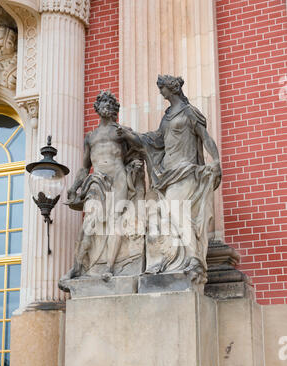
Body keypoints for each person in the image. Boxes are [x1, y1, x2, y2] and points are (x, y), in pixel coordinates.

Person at [117, 74, 222, 283]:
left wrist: (216, 161)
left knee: (177, 213)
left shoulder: (190, 113)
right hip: (167, 172)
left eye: (162, 88)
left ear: (171, 88)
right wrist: (130, 135)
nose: (160, 92)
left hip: (186, 170)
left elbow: (206, 138)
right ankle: (171, 261)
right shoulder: (166, 117)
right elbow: (156, 139)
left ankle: (194, 259)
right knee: (165, 219)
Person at [59, 90, 143, 290]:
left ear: (114, 109)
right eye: (103, 103)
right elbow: (84, 167)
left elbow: (139, 150)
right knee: (90, 223)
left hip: (119, 178)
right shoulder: (91, 137)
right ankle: (77, 267)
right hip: (96, 180)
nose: (106, 106)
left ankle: (111, 266)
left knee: (115, 223)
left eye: (110, 103)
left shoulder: (121, 131)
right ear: (97, 108)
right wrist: (74, 187)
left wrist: (131, 141)